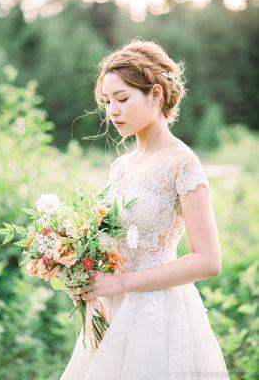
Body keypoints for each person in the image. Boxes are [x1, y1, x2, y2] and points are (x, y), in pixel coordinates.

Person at [60, 39, 230, 379]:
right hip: (110, 310)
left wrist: (122, 283)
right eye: (107, 101)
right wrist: (80, 271)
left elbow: (209, 261)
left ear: (155, 94)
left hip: (158, 313)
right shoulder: (120, 166)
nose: (112, 111)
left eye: (122, 99)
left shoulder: (183, 163)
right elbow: (109, 243)